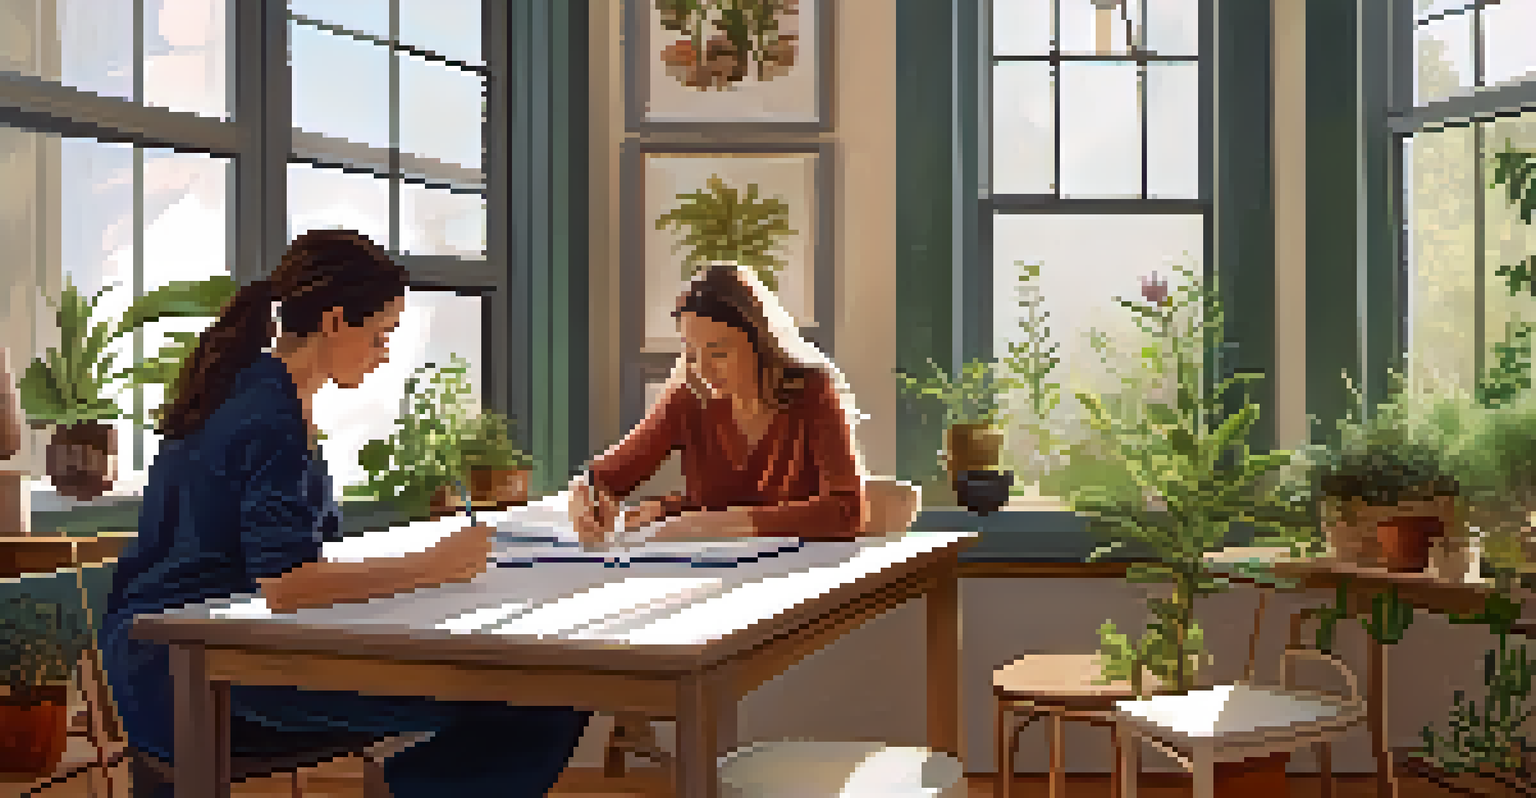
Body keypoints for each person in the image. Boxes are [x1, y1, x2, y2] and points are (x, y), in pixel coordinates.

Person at [100, 229, 589, 798]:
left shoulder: (268, 392)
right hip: (193, 674)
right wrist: (432, 566)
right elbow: (287, 585)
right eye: (381, 336)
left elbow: (286, 556)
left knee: (528, 694)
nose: (385, 353)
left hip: (210, 651)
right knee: (536, 698)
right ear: (334, 321)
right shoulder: (267, 413)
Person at [569, 261, 867, 543]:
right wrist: (586, 498)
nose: (704, 369)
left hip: (803, 574)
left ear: (760, 343)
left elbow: (848, 511)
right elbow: (606, 477)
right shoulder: (690, 397)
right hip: (711, 574)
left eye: (719, 353)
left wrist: (711, 524)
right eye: (693, 354)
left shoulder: (811, 391)